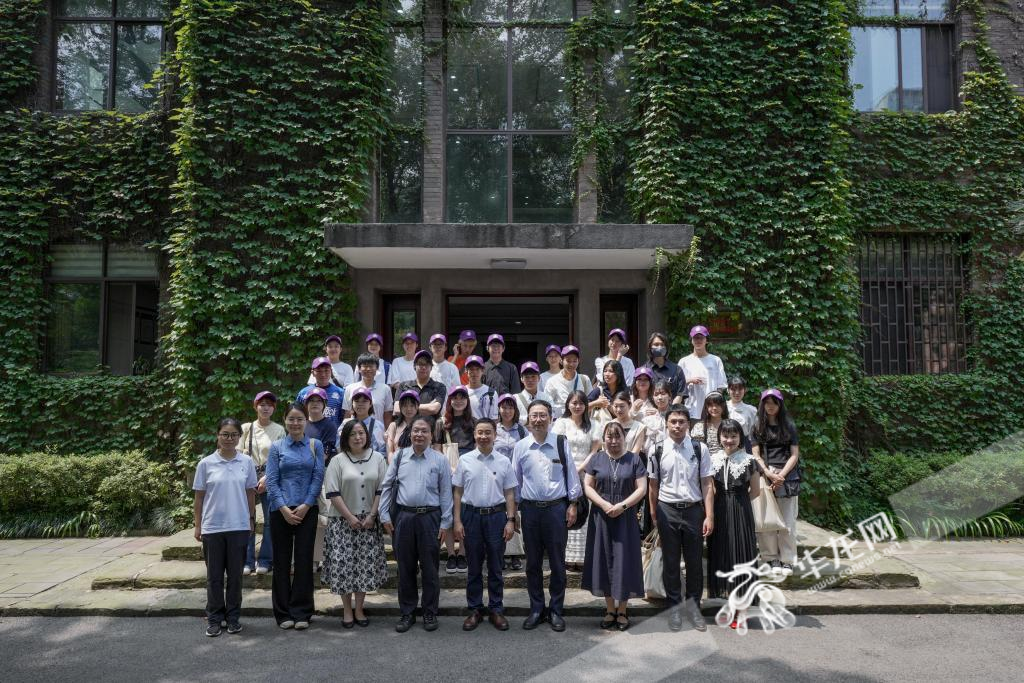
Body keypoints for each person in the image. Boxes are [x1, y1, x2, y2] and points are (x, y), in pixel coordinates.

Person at [379, 416, 454, 633]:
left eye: (424, 431)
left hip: (430, 519)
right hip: (404, 518)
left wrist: (446, 521)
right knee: (405, 568)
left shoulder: (439, 460)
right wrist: (384, 515)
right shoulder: (400, 456)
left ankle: (429, 612)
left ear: (431, 435)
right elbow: (387, 486)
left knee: (430, 569)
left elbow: (446, 493)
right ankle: (407, 612)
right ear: (410, 434)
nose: (419, 434)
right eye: (416, 431)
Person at [513, 400, 582, 632]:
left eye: (543, 415)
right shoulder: (521, 447)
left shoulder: (561, 443)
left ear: (551, 418)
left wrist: (572, 503)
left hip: (556, 509)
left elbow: (572, 475)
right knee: (532, 563)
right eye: (534, 415)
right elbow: (516, 482)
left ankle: (555, 610)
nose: (539, 419)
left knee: (557, 562)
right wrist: (516, 512)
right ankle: (536, 608)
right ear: (528, 419)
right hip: (530, 510)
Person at [648, 405, 713, 632]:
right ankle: (674, 609)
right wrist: (654, 514)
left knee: (695, 563)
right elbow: (653, 485)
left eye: (681, 422)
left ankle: (694, 608)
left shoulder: (699, 448)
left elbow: (707, 483)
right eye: (673, 421)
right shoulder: (656, 449)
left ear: (689, 424)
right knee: (671, 562)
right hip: (667, 511)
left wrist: (709, 515)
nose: (677, 426)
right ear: (666, 423)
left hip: (694, 511)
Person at [193, 418, 257, 637]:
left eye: (233, 435)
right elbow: (199, 497)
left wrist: (251, 519)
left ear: (239, 437)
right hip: (212, 527)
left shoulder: (246, 462)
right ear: (217, 435)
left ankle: (233, 618)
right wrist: (197, 525)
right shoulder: (205, 463)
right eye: (225, 434)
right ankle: (214, 618)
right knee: (214, 577)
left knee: (236, 577)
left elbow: (250, 492)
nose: (229, 439)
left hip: (239, 526)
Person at [453, 418, 518, 631]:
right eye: (480, 432)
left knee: (496, 566)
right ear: (474, 435)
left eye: (488, 432)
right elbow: (458, 492)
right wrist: (457, 520)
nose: (483, 436)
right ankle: (474, 609)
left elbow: (510, 493)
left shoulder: (503, 461)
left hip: (496, 517)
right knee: (473, 567)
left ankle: (496, 609)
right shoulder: (465, 460)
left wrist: (510, 520)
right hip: (471, 517)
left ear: (494, 435)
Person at [322, 419, 388, 628]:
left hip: (369, 522)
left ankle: (359, 609)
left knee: (364, 567)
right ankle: (347, 610)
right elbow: (332, 492)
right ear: (346, 438)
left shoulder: (378, 458)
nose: (358, 437)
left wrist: (372, 515)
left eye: (361, 433)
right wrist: (350, 517)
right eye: (353, 434)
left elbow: (382, 489)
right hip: (342, 523)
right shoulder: (337, 460)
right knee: (344, 566)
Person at [582, 421, 647, 631]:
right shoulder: (597, 458)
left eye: (617, 436)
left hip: (626, 516)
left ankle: (623, 610)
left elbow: (642, 488)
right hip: (601, 515)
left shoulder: (634, 459)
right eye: (609, 437)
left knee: (624, 560)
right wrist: (603, 503)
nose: (613, 441)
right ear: (604, 439)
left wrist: (623, 505)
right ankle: (610, 609)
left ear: (624, 437)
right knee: (604, 559)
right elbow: (587, 486)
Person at [265, 402, 325, 630]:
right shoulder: (277, 447)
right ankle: (282, 613)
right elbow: (271, 480)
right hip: (280, 512)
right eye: (291, 419)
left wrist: (306, 505)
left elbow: (318, 477)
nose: (296, 423)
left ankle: (302, 612)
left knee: (303, 561)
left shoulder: (315, 445)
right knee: (280, 562)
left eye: (300, 419)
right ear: (285, 421)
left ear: (306, 421)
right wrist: (283, 508)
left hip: (306, 511)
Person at [706, 419, 761, 629]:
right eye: (725, 436)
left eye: (733, 436)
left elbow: (755, 491)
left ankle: (743, 611)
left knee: (742, 555)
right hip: (719, 511)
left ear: (740, 438)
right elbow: (710, 487)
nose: (729, 440)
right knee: (725, 556)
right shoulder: (713, 459)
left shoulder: (749, 460)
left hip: (741, 510)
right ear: (720, 437)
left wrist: (738, 504)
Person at [751, 388, 800, 576]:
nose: (770, 406)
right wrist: (768, 473)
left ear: (780, 404)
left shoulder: (789, 426)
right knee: (766, 521)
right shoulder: (757, 426)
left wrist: (781, 475)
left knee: (787, 523)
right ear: (763, 404)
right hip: (765, 477)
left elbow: (794, 454)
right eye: (767, 402)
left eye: (774, 402)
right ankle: (770, 558)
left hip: (788, 478)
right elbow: (755, 454)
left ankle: (787, 560)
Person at [552, 389, 600, 568]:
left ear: (586, 406)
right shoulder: (561, 423)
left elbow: (595, 451)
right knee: (566, 512)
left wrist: (580, 468)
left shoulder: (594, 424)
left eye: (581, 403)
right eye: (574, 403)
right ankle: (565, 558)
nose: (577, 406)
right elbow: (556, 447)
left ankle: (583, 558)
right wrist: (570, 469)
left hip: (586, 473)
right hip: (564, 471)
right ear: (568, 405)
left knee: (583, 513)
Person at [240, 391, 285, 575]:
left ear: (273, 408)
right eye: (262, 404)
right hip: (247, 479)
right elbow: (238, 454)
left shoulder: (279, 430)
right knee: (246, 519)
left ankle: (265, 560)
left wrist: (267, 477)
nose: (265, 407)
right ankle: (247, 560)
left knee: (270, 521)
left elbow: (281, 457)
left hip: (270, 478)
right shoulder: (245, 428)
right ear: (255, 406)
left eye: (269, 404)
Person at [434, 385, 475, 572]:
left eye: (462, 397)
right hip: (447, 472)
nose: (458, 400)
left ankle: (464, 553)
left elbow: (477, 449)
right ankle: (451, 554)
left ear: (467, 401)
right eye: (454, 397)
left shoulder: (474, 423)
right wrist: (447, 468)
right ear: (449, 401)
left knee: (465, 513)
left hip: (468, 473)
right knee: (449, 513)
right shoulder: (441, 423)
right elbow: (436, 449)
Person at [494, 393, 526, 571]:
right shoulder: (494, 428)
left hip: (516, 479)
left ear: (515, 410)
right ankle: (501, 553)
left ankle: (514, 555)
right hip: (497, 478)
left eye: (510, 407)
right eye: (504, 407)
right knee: (500, 514)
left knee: (514, 514)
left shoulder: (521, 430)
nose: (507, 411)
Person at [678, 325, 728, 421]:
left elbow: (721, 386)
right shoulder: (684, 361)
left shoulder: (715, 360)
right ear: (691, 340)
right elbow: (677, 385)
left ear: (707, 340)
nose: (698, 340)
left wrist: (715, 405)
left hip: (711, 410)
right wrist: (690, 380)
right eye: (695, 338)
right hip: (690, 409)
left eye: (701, 337)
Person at [393, 350, 447, 425]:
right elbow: (397, 409)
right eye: (420, 364)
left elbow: (434, 409)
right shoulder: (404, 386)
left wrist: (406, 408)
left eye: (427, 364)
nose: (424, 367)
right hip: (407, 431)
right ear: (414, 366)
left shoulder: (439, 387)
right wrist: (428, 407)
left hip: (430, 432)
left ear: (431, 367)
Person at [343, 353, 394, 427]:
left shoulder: (385, 389)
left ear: (377, 368)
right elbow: (347, 414)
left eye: (371, 366)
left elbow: (387, 415)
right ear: (359, 369)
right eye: (365, 366)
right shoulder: (350, 389)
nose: (368, 369)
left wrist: (386, 433)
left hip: (377, 433)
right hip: (355, 433)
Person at [544, 345, 593, 415]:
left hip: (580, 423)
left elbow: (590, 402)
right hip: (561, 423)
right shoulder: (552, 382)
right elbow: (547, 405)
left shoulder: (584, 380)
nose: (571, 364)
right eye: (568, 361)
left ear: (578, 361)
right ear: (561, 361)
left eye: (574, 361)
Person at [297, 357, 345, 427]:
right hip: (309, 434)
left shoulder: (340, 393)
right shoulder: (304, 393)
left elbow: (344, 417)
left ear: (331, 372)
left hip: (333, 435)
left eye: (326, 370)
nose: (323, 374)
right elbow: (298, 414)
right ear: (313, 372)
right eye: (319, 371)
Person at [342, 387, 387, 454]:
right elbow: (340, 447)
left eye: (364, 401)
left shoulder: (378, 425)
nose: (360, 404)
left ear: (370, 404)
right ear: (352, 403)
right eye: (357, 401)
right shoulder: (345, 424)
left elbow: (382, 450)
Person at [643, 332, 686, 402]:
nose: (659, 347)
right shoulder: (644, 370)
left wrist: (669, 411)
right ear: (650, 347)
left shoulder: (677, 370)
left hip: (672, 411)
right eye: (656, 344)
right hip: (649, 410)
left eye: (662, 345)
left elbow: (680, 395)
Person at [587, 359, 628, 429]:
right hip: (600, 430)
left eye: (611, 371)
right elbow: (583, 407)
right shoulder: (599, 390)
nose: (606, 374)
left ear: (618, 373)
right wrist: (596, 403)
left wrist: (609, 407)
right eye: (605, 371)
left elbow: (628, 412)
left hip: (621, 429)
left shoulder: (624, 392)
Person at [302, 388, 338, 463]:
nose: (315, 403)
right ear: (306, 404)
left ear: (324, 404)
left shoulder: (330, 426)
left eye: (319, 401)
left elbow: (324, 455)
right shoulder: (301, 423)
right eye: (312, 400)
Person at [690, 391, 730, 456]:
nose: (714, 408)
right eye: (711, 405)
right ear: (706, 407)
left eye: (717, 405)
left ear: (723, 406)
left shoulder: (730, 425)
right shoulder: (699, 427)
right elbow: (695, 449)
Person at [610, 391, 647, 456]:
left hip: (631, 463)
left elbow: (635, 452)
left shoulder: (639, 427)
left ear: (630, 405)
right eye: (615, 406)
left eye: (622, 406)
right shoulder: (609, 425)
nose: (618, 410)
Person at [386, 390, 420, 458]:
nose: (408, 409)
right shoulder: (393, 425)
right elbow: (390, 451)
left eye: (412, 405)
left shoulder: (423, 425)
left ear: (418, 406)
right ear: (400, 407)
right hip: (398, 464)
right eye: (405, 405)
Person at [464, 355, 499, 419]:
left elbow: (494, 420)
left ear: (482, 371)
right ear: (466, 371)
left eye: (477, 369)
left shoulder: (491, 392)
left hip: (485, 428)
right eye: (471, 369)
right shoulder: (462, 391)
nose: (474, 372)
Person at [726, 375, 758, 440]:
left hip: (745, 445)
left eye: (740, 389)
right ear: (728, 390)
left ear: (745, 390)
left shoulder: (751, 410)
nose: (737, 393)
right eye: (733, 389)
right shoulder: (722, 407)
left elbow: (755, 432)